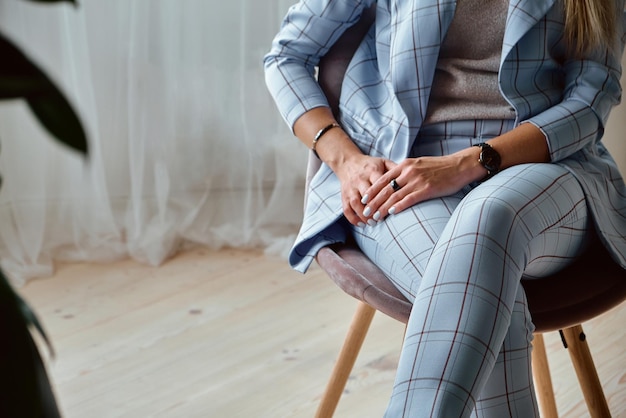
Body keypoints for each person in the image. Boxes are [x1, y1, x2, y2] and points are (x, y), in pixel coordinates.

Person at [264, 0, 626, 416]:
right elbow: (287, 55)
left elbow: (589, 100)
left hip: (541, 167)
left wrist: (468, 163)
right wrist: (345, 158)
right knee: (493, 312)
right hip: (399, 169)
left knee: (489, 216)